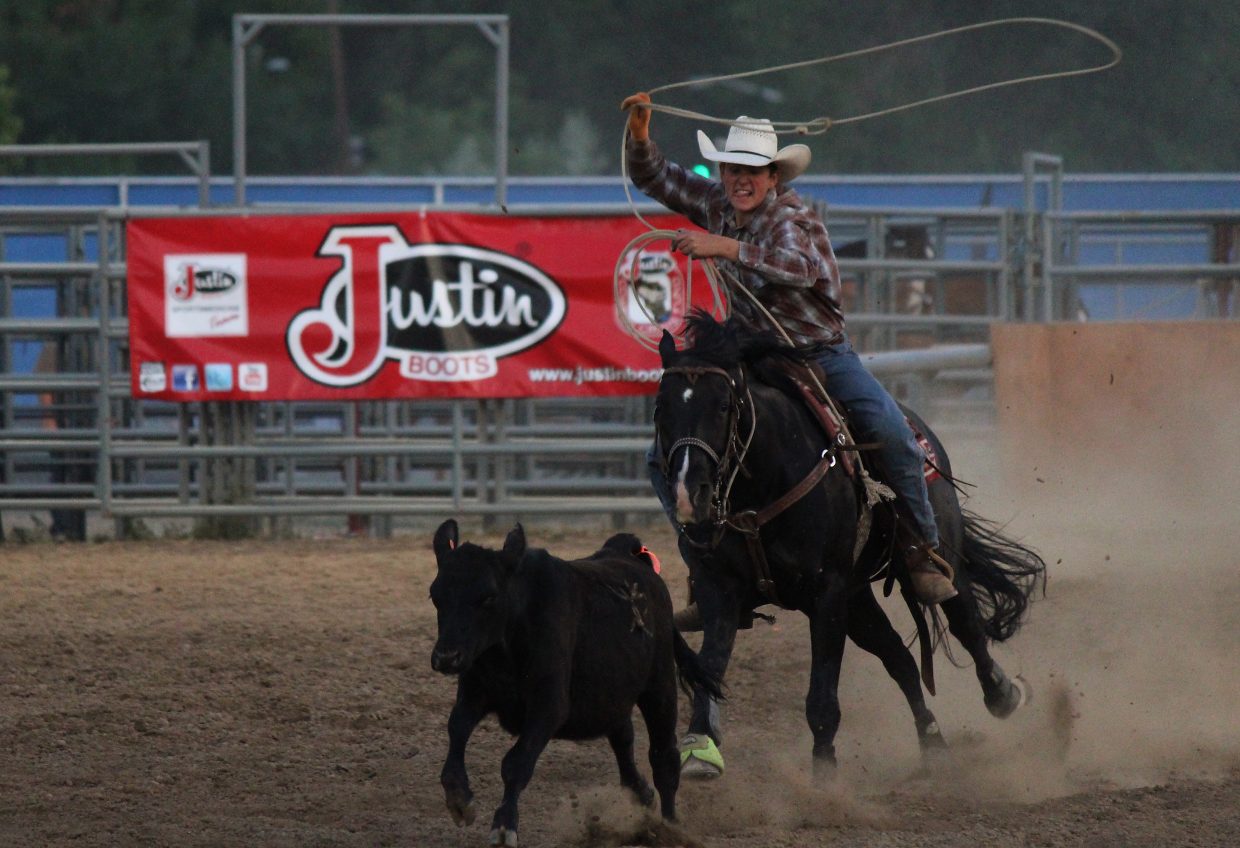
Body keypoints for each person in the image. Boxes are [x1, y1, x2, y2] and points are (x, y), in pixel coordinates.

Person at [622, 91, 956, 605]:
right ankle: (706, 560)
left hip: (819, 354)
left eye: (752, 170)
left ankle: (923, 550)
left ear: (774, 177)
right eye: (732, 168)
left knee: (891, 432)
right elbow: (655, 178)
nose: (740, 178)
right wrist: (641, 134)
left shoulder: (794, 219)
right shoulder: (717, 203)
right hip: (753, 356)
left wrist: (727, 246)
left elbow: (802, 270)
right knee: (661, 456)